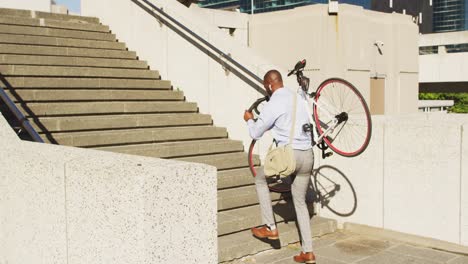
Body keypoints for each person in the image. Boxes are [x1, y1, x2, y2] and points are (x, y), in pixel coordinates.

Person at [243, 70, 315, 264]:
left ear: (268, 85)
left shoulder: (273, 103)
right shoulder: (297, 97)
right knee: (299, 201)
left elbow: (256, 132)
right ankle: (308, 252)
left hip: (290, 156)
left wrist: (249, 119)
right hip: (308, 155)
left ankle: (270, 228)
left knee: (260, 180)